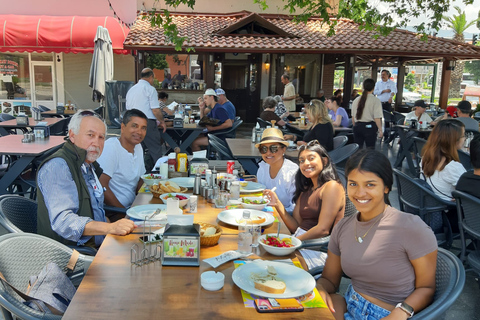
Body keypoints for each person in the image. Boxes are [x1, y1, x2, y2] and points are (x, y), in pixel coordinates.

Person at [317, 149, 437, 320]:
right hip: (348, 304)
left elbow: (427, 288)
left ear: (386, 187)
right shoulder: (343, 226)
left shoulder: (411, 227)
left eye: (370, 184)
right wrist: (321, 289)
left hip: (388, 314)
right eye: (353, 184)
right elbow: (329, 279)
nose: (360, 193)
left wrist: (402, 311)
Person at [37, 110, 137, 249]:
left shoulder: (87, 164)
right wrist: (110, 228)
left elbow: (95, 210)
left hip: (98, 244)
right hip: (71, 256)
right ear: (72, 135)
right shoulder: (58, 166)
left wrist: (111, 226)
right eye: (90, 135)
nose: (96, 142)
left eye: (101, 137)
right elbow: (64, 222)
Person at [264, 140, 345, 240]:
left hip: (315, 247)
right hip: (299, 240)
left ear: (324, 161)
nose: (306, 163)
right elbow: (296, 226)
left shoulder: (332, 186)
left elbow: (323, 230)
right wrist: (277, 203)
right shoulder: (305, 189)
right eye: (302, 161)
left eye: (311, 158)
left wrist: (291, 242)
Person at [97, 109, 147, 222]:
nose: (139, 132)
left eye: (143, 128)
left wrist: (143, 202)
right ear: (123, 127)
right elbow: (101, 185)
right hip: (115, 212)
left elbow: (141, 179)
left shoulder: (138, 147)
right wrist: (124, 214)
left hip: (133, 208)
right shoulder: (111, 148)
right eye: (135, 126)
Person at [126, 68, 166, 164]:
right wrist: (162, 121)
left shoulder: (131, 89)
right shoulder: (150, 89)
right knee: (155, 149)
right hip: (146, 123)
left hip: (131, 121)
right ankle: (159, 172)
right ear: (151, 77)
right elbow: (155, 110)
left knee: (135, 149)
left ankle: (134, 171)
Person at [421, 119, 466, 201]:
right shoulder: (453, 167)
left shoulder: (425, 158)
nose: (465, 138)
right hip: (447, 209)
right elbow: (470, 193)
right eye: (463, 135)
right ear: (454, 140)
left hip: (431, 203)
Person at [256, 128, 298, 212]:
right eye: (263, 149)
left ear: (283, 149)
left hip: (287, 217)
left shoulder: (292, 172)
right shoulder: (263, 168)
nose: (268, 153)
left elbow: (295, 207)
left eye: (273, 148)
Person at [352, 78, 383, 148]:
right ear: (373, 88)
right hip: (370, 128)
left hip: (357, 127)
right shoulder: (376, 100)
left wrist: (355, 126)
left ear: (363, 87)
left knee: (358, 150)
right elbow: (377, 117)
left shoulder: (356, 100)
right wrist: (380, 130)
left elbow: (353, 117)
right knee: (370, 150)